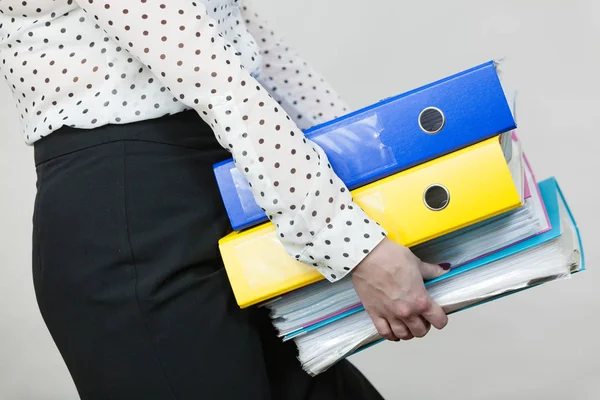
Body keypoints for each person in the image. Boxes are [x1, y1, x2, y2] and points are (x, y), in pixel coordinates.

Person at [0, 1, 450, 399]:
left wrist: (382, 195)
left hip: (237, 196)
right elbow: (213, 76)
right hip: (130, 220)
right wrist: (355, 246)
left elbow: (265, 60)